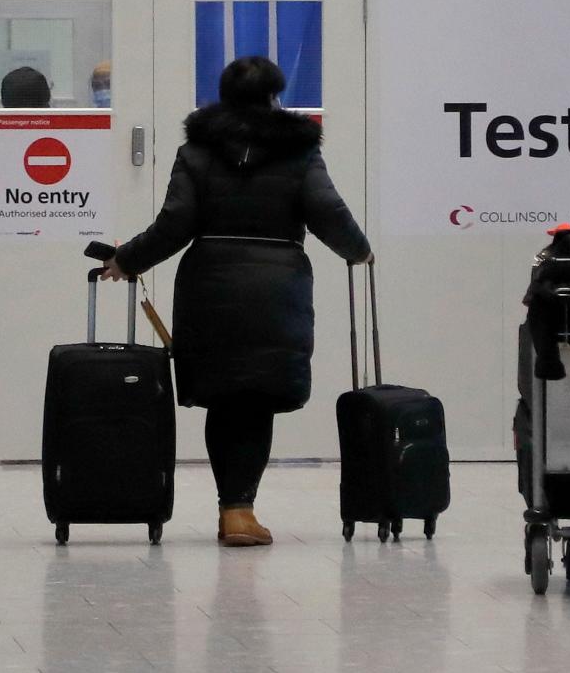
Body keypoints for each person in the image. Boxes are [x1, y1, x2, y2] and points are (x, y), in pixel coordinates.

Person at [101, 56, 372, 547]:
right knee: (256, 401)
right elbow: (328, 211)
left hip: (210, 285)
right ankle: (241, 509)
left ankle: (232, 508)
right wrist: (360, 251)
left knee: (224, 399)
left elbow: (174, 224)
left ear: (224, 97)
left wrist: (128, 260)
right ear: (275, 96)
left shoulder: (199, 150)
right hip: (277, 288)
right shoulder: (299, 151)